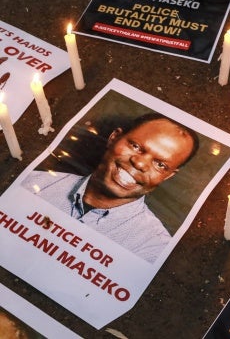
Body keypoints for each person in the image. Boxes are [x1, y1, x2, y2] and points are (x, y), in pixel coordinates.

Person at [22, 113, 199, 263]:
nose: (139, 163)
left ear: (168, 176)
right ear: (114, 138)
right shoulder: (33, 184)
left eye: (160, 164)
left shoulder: (154, 248)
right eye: (136, 146)